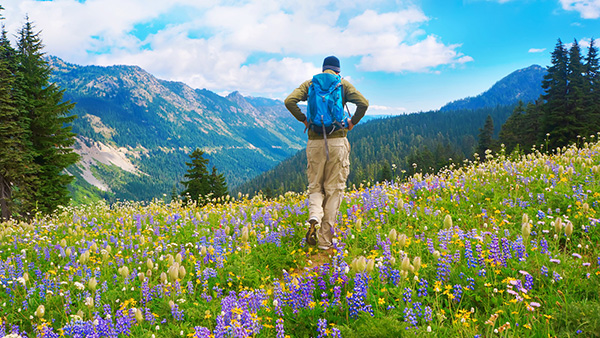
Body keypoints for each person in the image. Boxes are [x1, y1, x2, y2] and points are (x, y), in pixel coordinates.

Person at [284, 55, 369, 252]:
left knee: (315, 187)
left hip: (314, 143)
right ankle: (324, 241)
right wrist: (352, 122)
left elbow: (289, 101)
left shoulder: (310, 84)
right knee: (334, 190)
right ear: (338, 71)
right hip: (338, 142)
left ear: (323, 69)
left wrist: (304, 120)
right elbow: (363, 103)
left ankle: (314, 215)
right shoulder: (343, 84)